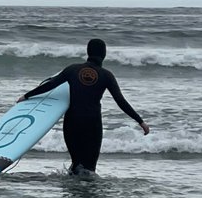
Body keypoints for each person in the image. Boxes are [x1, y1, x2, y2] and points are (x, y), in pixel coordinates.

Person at [21, 37, 150, 176]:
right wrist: (140, 121)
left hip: (72, 122)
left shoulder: (72, 69)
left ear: (88, 52)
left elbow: (51, 84)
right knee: (89, 168)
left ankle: (72, 193)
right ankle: (86, 195)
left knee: (76, 163)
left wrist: (27, 96)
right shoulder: (106, 75)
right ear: (104, 54)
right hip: (92, 124)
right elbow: (120, 101)